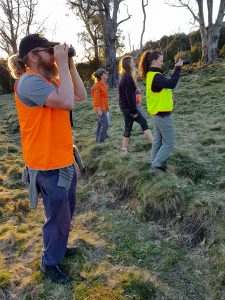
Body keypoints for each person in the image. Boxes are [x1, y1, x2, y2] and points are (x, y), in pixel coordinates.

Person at [7, 33, 87, 283]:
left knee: (66, 212)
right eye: (48, 50)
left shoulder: (48, 80)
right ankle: (49, 263)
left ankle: (58, 249)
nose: (54, 54)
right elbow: (67, 102)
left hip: (63, 161)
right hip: (47, 165)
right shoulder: (29, 82)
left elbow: (80, 96)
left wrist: (70, 66)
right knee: (57, 216)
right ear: (32, 56)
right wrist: (62, 64)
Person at [139, 50, 183, 172]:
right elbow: (171, 84)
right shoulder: (156, 77)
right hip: (162, 114)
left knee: (158, 140)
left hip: (157, 113)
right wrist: (178, 69)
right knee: (169, 142)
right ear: (154, 61)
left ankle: (154, 161)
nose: (162, 63)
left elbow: (166, 85)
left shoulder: (152, 75)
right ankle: (156, 165)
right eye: (161, 60)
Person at [118, 56, 153, 152]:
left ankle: (124, 149)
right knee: (143, 123)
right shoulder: (128, 77)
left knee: (128, 127)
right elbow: (129, 97)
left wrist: (136, 91)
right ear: (128, 64)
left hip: (125, 107)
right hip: (129, 107)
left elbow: (126, 93)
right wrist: (134, 111)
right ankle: (154, 144)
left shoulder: (124, 76)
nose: (134, 63)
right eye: (133, 62)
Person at [91, 68, 109, 143]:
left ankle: (98, 140)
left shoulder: (104, 84)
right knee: (105, 124)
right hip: (100, 108)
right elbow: (96, 98)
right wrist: (99, 109)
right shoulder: (97, 86)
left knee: (100, 124)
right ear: (101, 75)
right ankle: (101, 141)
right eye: (105, 73)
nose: (107, 74)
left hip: (104, 107)